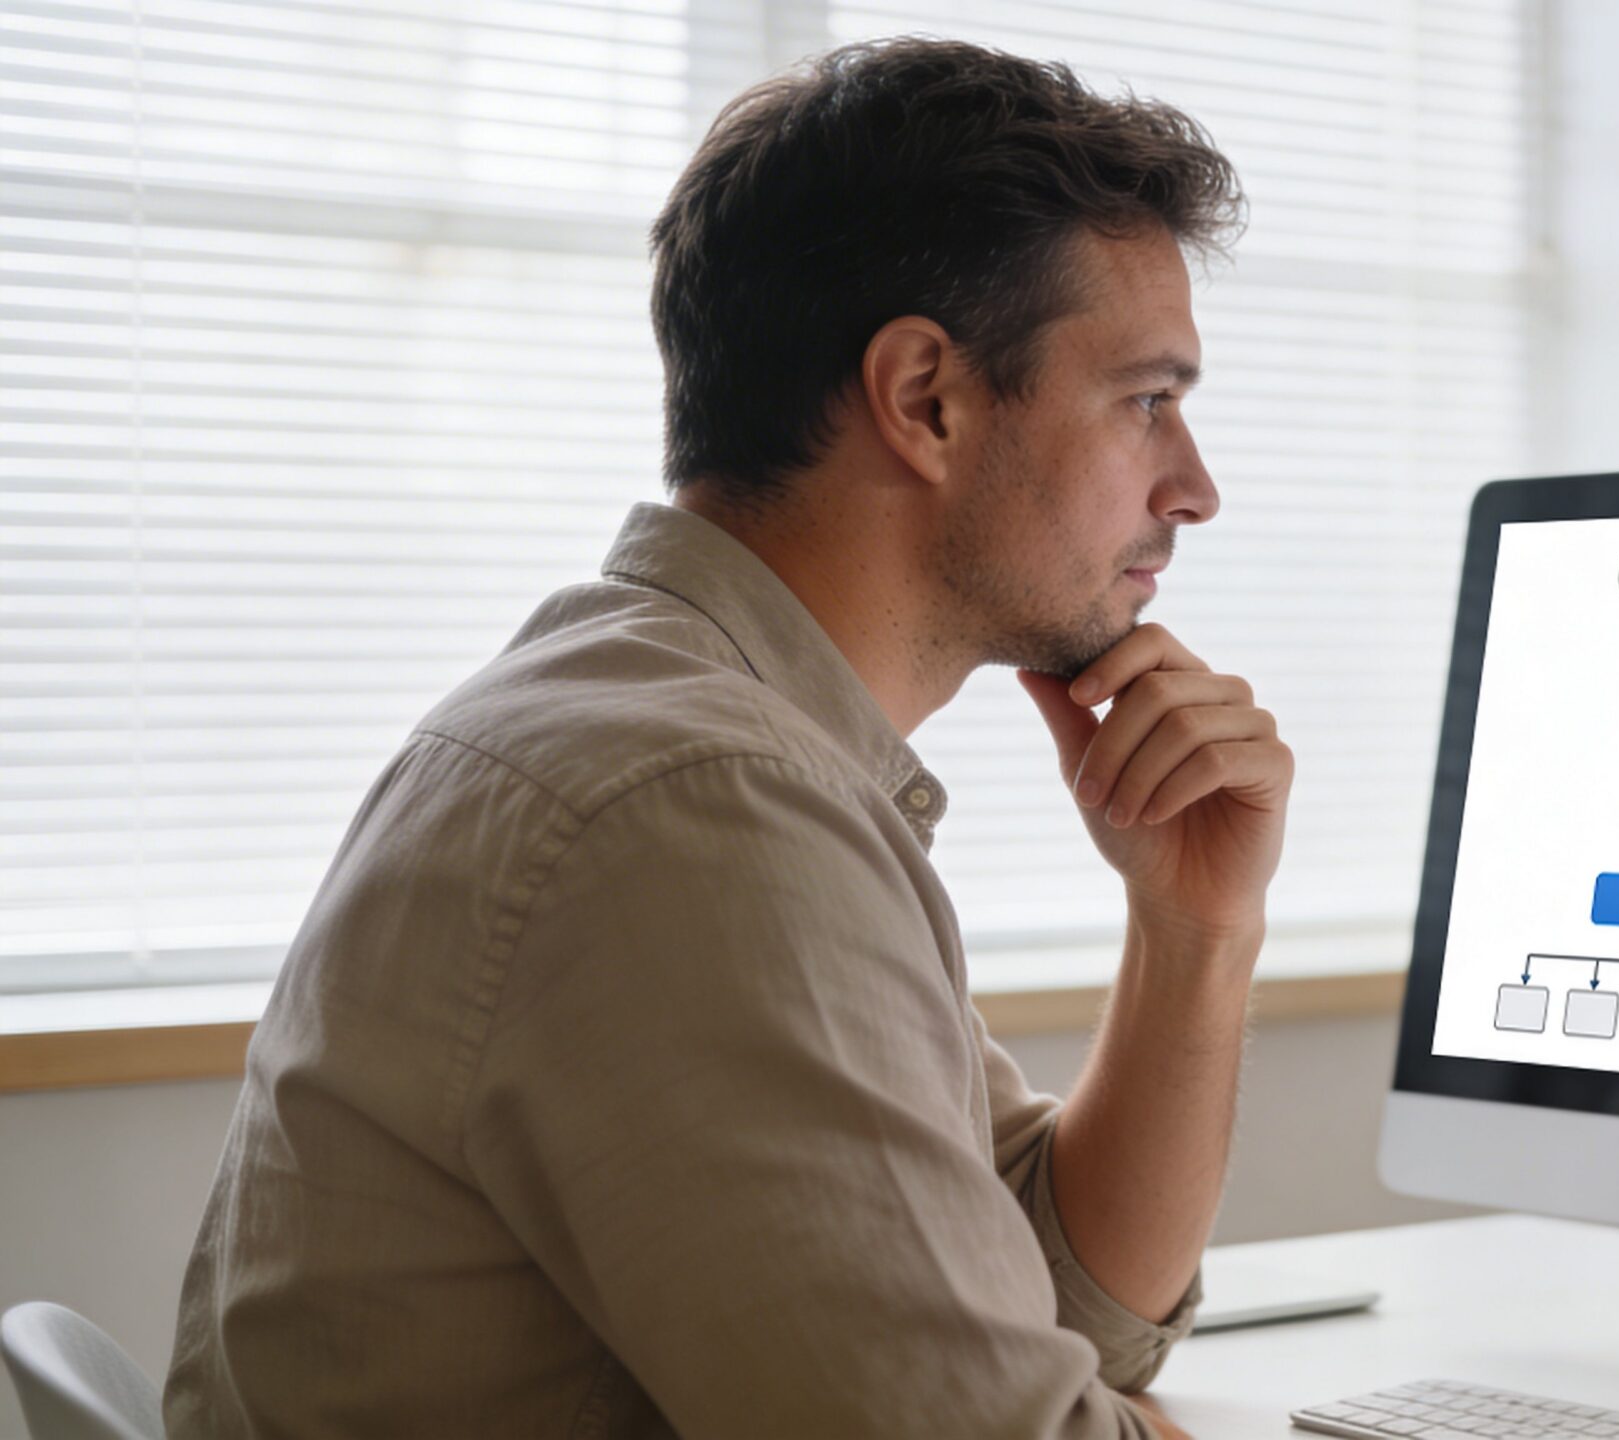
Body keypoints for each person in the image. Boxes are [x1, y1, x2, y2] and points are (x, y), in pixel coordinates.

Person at [164, 36, 1282, 1439]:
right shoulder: (697, 810)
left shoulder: (687, 738)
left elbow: (1073, 1313)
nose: (1195, 488)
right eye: (1147, 402)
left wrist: (1196, 933)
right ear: (925, 398)